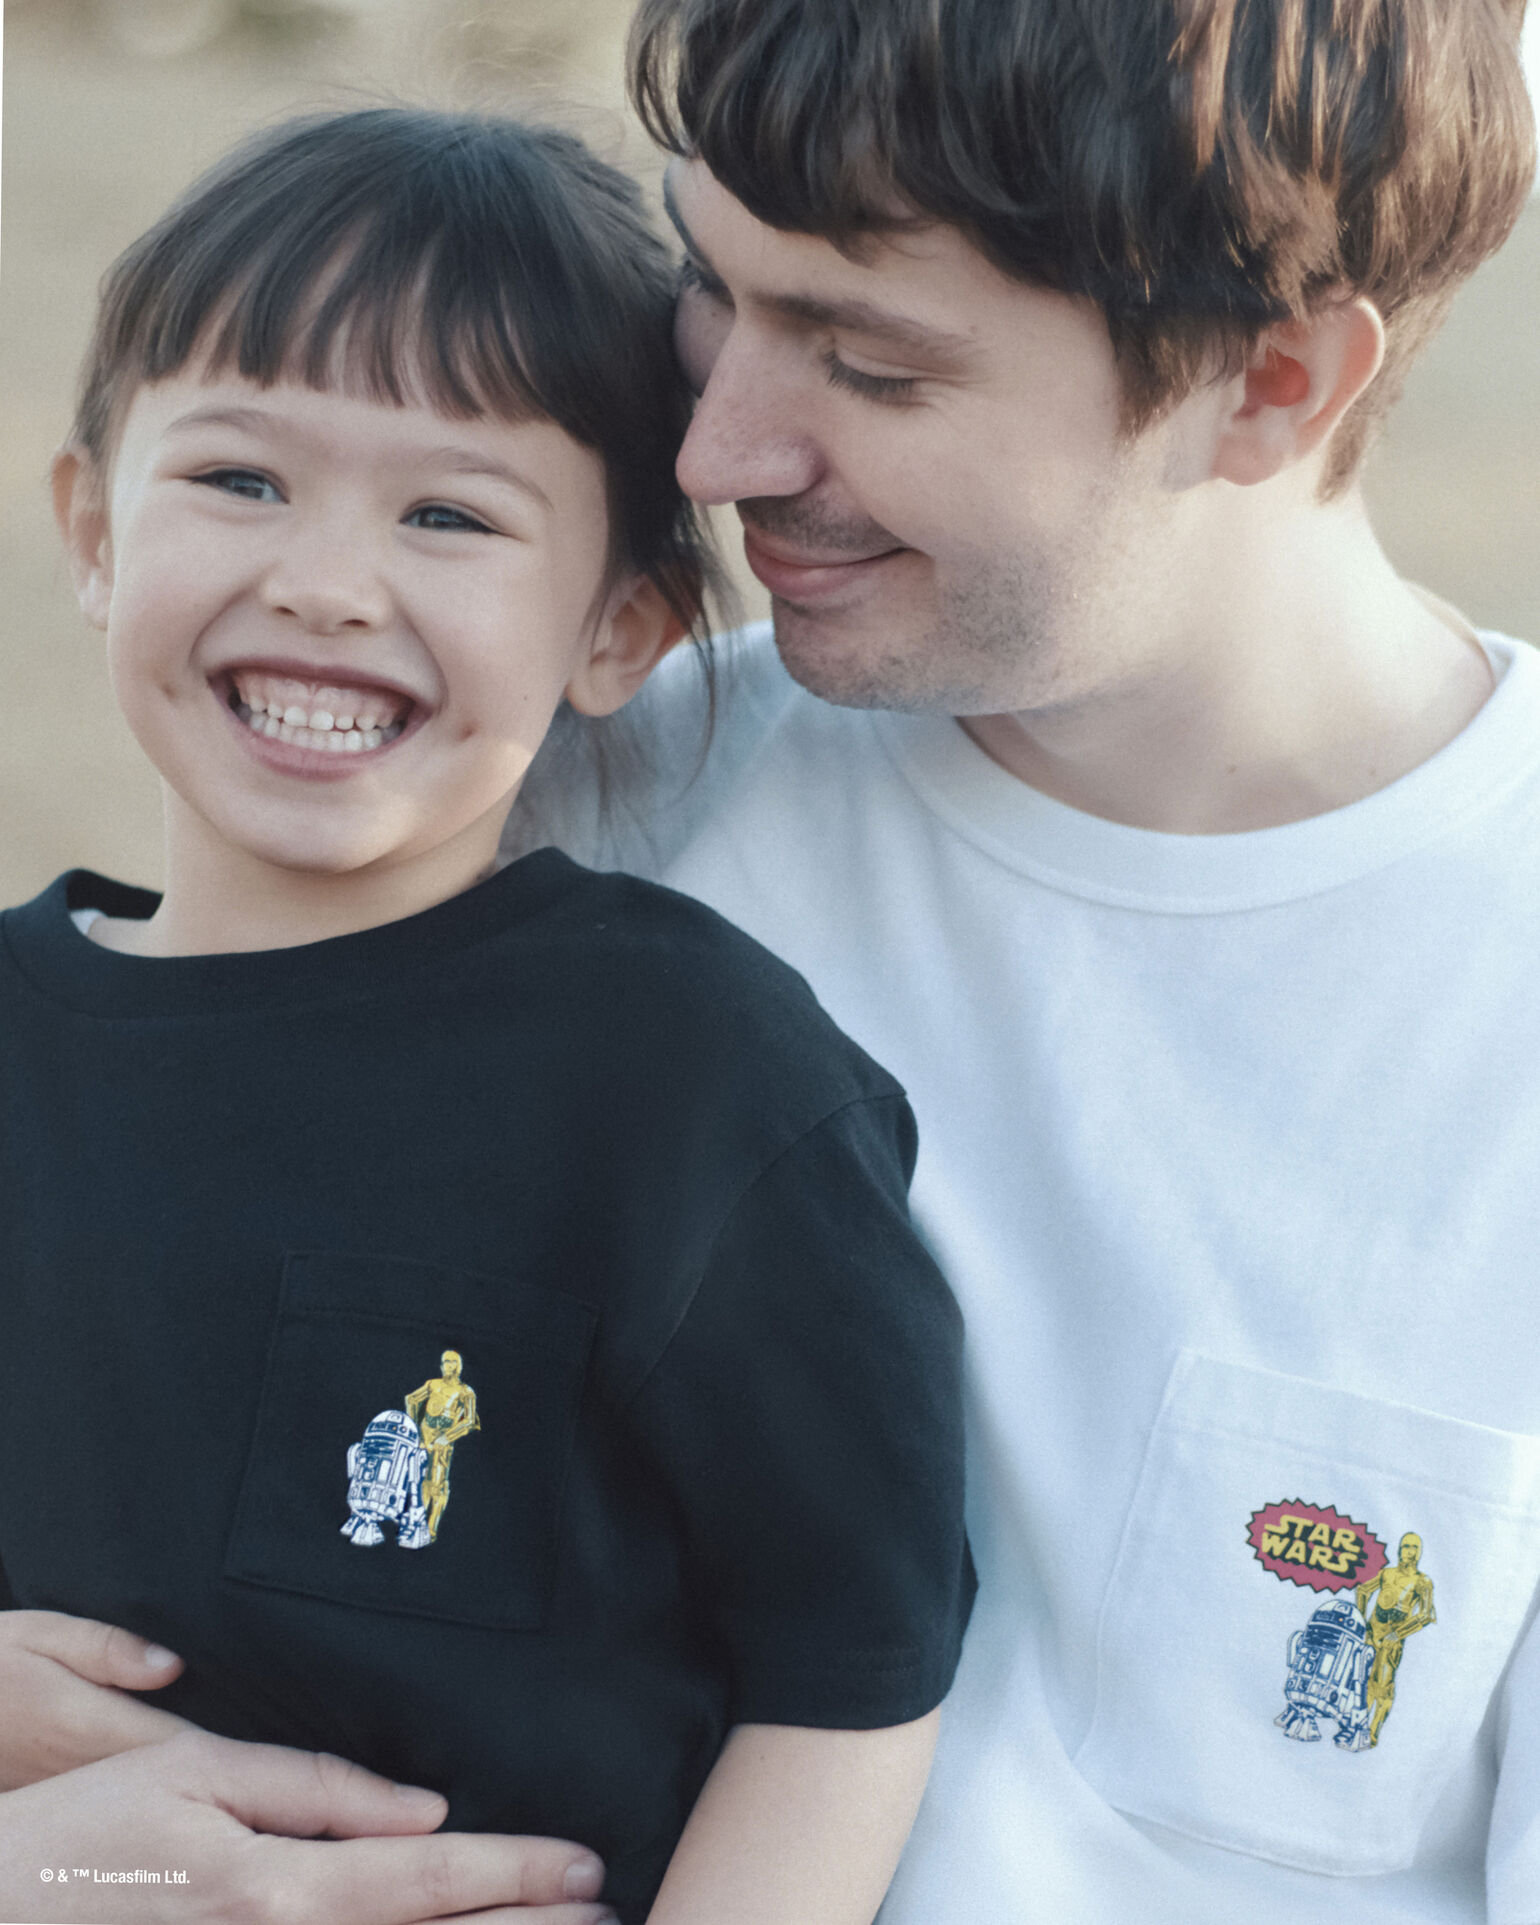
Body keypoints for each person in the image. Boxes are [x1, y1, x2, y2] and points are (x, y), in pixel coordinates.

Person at [13, 2, 1540, 1919]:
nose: (715, 446)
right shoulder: (551, 786)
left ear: (1272, 382)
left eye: (870, 362)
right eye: (712, 291)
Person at [0, 106, 974, 1925]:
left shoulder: (692, 1083)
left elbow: (856, 1665)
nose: (321, 579)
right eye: (239, 480)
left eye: (447, 513)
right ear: (92, 530)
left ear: (623, 630)